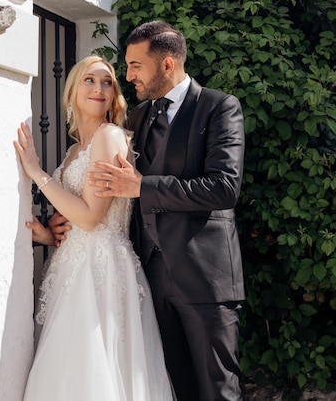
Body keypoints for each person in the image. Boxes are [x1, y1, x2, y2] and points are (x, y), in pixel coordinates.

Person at [86, 21, 246, 401]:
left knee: (218, 390)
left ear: (167, 64)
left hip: (205, 276)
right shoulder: (138, 119)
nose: (128, 76)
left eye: (136, 66)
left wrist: (144, 186)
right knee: (172, 388)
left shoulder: (219, 108)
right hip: (149, 277)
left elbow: (224, 187)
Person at [14, 55, 174, 401]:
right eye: (90, 80)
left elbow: (90, 218)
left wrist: (37, 172)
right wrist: (47, 234)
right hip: (71, 268)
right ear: (72, 91)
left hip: (101, 271)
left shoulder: (110, 137)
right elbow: (74, 218)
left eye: (107, 82)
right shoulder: (74, 152)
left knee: (96, 370)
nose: (99, 88)